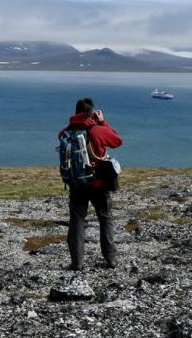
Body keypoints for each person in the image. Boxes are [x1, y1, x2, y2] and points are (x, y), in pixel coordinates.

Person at [58, 98, 122, 270]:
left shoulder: (66, 132)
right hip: (98, 183)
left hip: (76, 183)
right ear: (92, 112)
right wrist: (102, 121)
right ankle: (111, 259)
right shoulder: (96, 130)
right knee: (105, 218)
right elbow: (117, 141)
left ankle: (77, 262)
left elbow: (61, 140)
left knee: (77, 220)